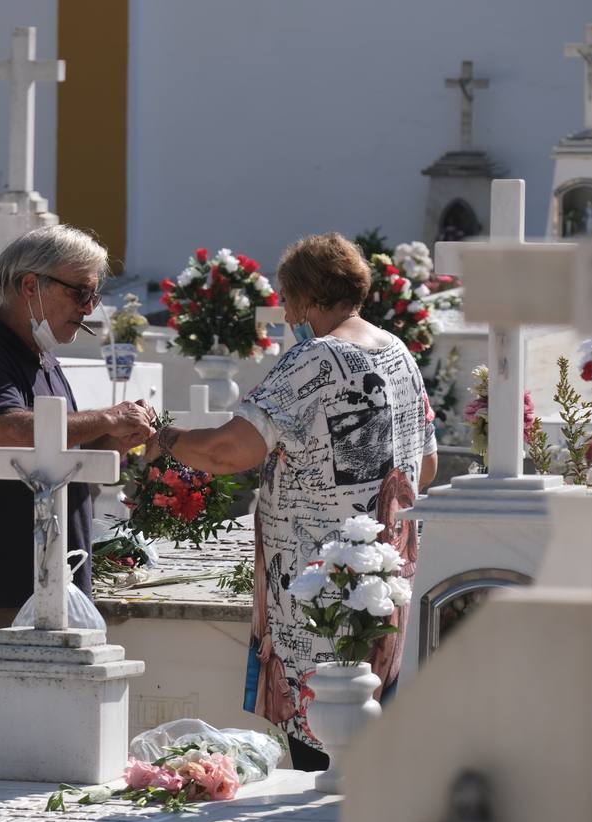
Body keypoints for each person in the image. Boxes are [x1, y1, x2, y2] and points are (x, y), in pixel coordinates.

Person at [148, 232, 437, 770]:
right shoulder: (397, 352)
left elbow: (231, 450)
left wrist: (162, 441)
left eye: (286, 299)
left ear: (306, 299)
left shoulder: (316, 356)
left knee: (324, 732)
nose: (283, 313)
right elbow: (427, 464)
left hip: (317, 586)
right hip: (383, 577)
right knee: (369, 727)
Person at [0, 224, 155, 753]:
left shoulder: (39, 356)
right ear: (30, 286)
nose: (90, 307)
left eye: (95, 294)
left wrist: (123, 442)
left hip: (34, 583)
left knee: (40, 747)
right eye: (80, 291)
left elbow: (54, 460)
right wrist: (109, 416)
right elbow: (12, 432)